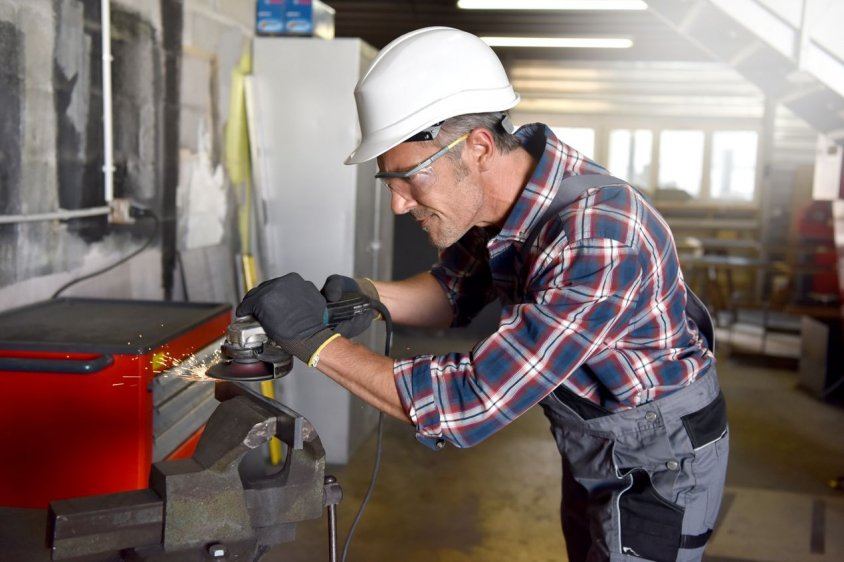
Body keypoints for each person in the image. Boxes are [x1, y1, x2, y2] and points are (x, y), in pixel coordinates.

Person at [236, 27, 728, 562]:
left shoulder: (599, 235)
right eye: (389, 183)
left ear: (477, 147)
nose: (399, 205)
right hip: (593, 437)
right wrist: (365, 295)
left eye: (408, 178)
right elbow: (452, 292)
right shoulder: (504, 201)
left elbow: (470, 404)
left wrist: (315, 341)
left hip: (658, 457)